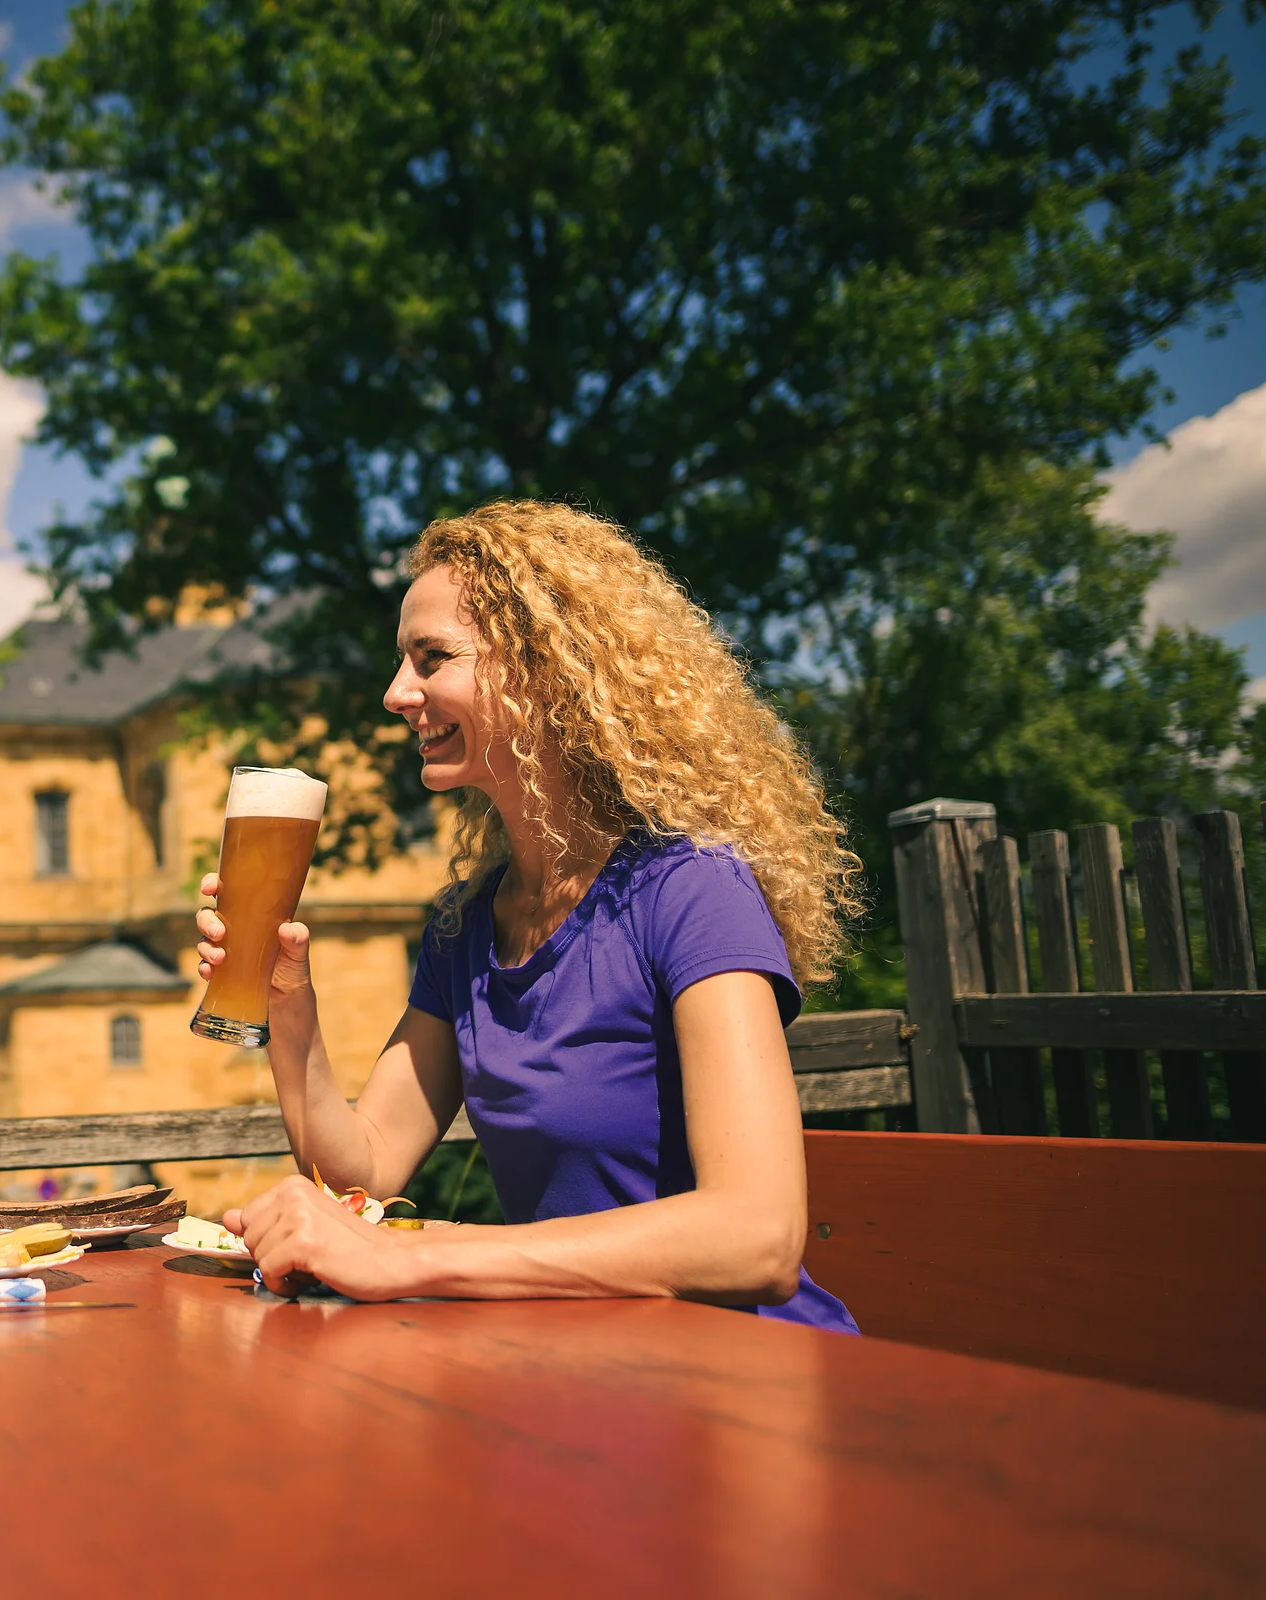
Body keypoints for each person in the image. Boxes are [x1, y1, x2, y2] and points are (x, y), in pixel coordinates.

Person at [198, 501, 860, 1330]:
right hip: (577, 1377)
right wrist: (285, 1005)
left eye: (431, 658)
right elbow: (366, 1166)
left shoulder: (693, 888)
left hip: (741, 1387)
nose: (396, 693)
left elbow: (756, 1239)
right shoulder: (467, 924)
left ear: (545, 670)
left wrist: (414, 1253)